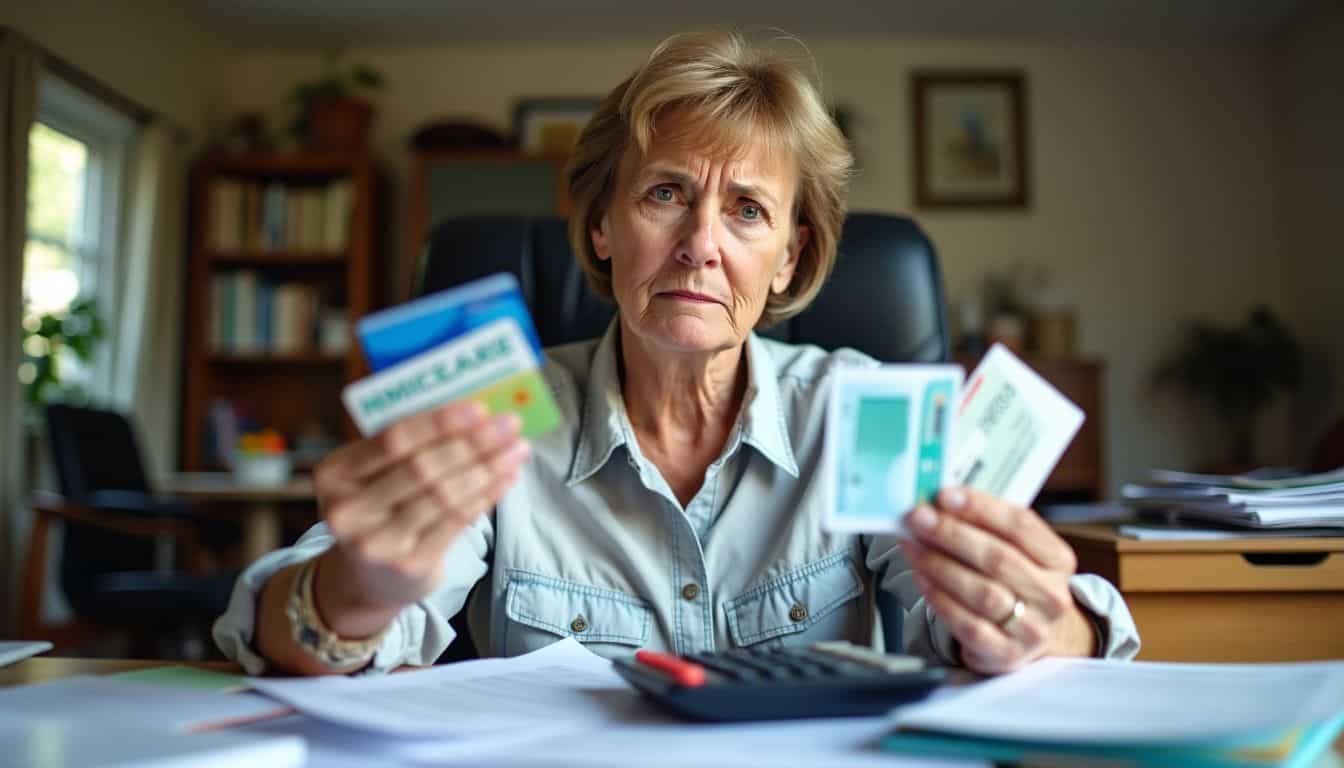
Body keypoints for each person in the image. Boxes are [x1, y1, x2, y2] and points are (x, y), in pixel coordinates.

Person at [214, 30, 1139, 677]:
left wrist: (1031, 620)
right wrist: (349, 594)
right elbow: (276, 633)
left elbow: (1019, 632)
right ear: (604, 228)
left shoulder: (857, 409)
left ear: (790, 259)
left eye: (748, 210)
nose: (702, 244)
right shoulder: (499, 407)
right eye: (664, 194)